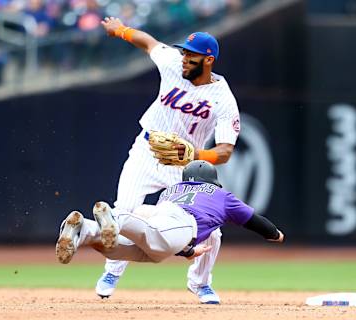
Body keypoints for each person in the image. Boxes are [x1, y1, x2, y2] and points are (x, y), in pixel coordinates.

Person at [92, 17, 242, 304]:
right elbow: (148, 42)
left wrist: (195, 155)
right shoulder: (173, 62)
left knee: (209, 228)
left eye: (191, 55)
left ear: (208, 60)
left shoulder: (223, 99)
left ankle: (200, 284)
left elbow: (224, 152)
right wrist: (121, 30)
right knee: (124, 210)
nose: (184, 58)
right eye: (184, 52)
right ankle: (112, 272)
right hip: (147, 151)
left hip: (183, 167)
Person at [56, 161, 284, 295]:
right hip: (181, 223)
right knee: (150, 235)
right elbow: (255, 220)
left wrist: (188, 252)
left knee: (123, 249)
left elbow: (171, 238)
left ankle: (85, 230)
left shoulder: (172, 189)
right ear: (212, 180)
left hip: (162, 220)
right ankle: (115, 217)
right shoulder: (221, 195)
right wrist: (275, 234)